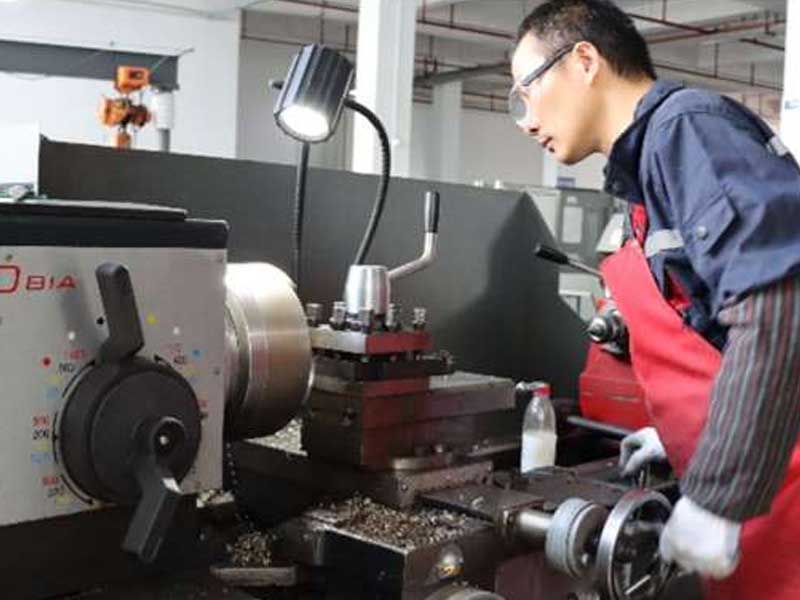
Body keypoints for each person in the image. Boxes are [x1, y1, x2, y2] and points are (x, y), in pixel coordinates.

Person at [510, 1, 800, 598]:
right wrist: (691, 432)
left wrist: (719, 495)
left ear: (584, 61)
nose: (525, 119)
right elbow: (716, 323)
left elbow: (777, 306)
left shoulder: (686, 132)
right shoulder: (649, 168)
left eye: (527, 90)